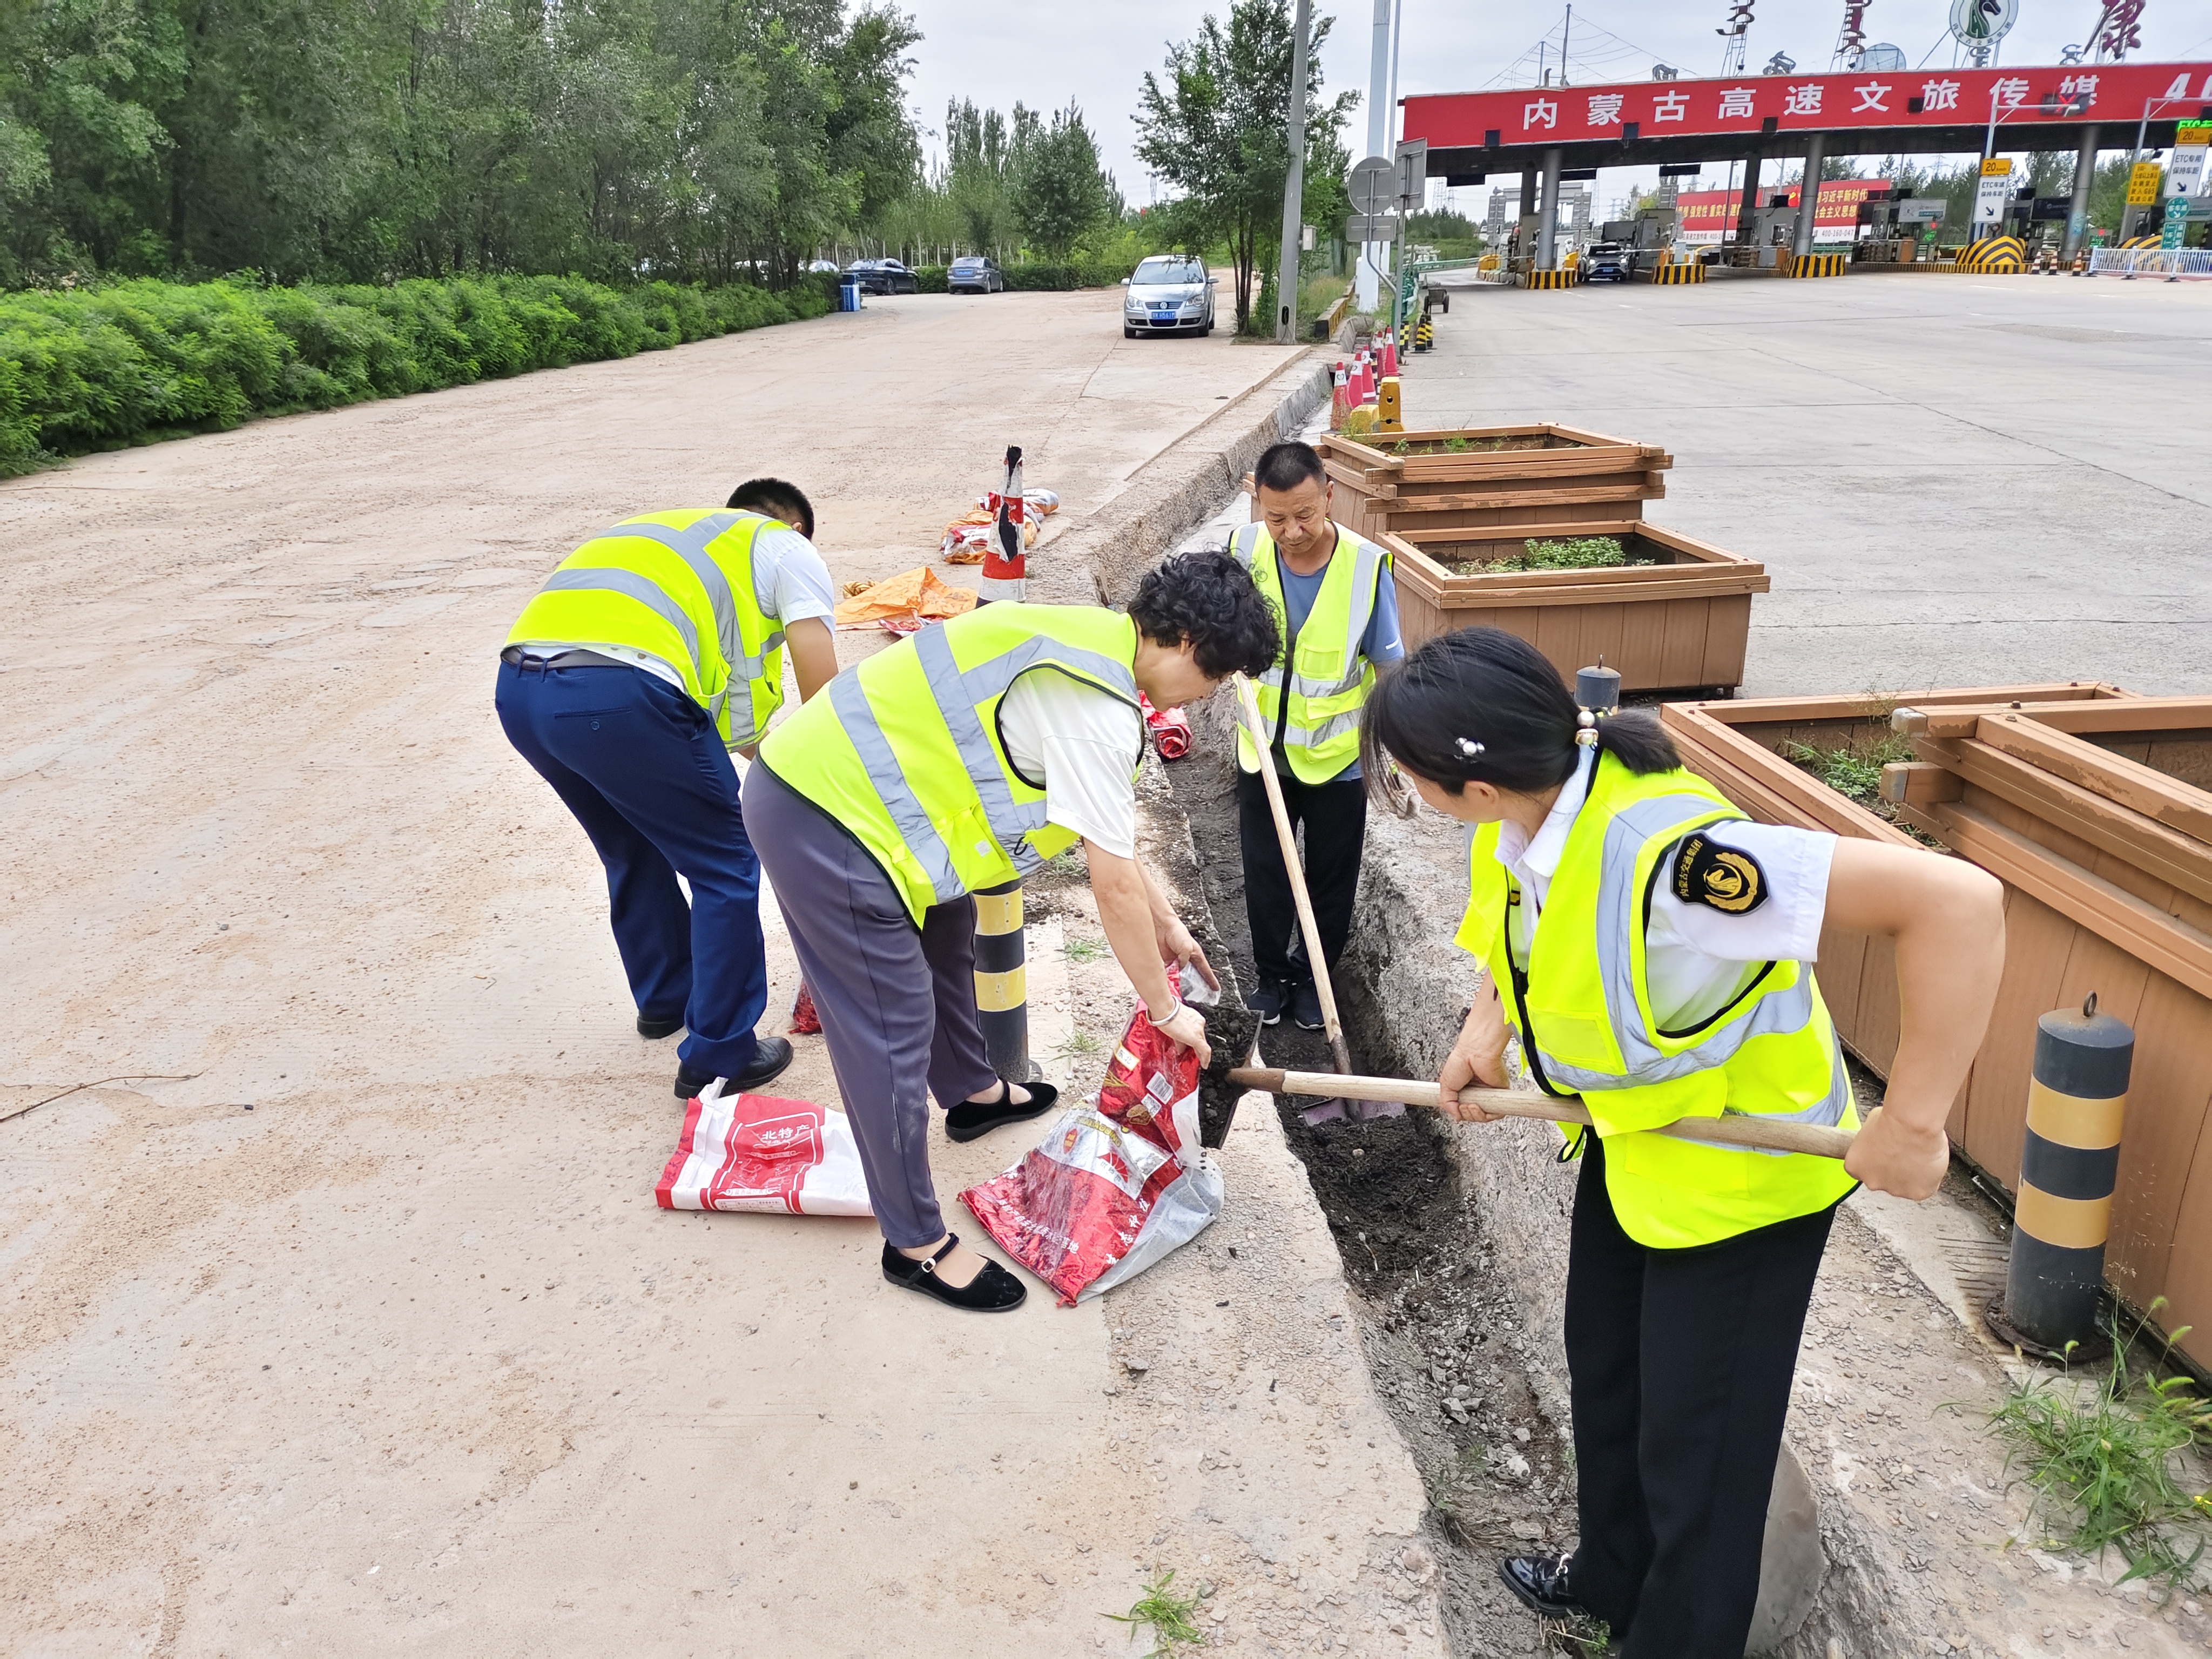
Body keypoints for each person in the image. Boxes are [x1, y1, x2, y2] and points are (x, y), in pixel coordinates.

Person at [1360, 629, 2004, 1659]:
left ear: (1467, 784)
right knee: (1609, 1381)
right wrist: (1485, 1030)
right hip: (1636, 1149)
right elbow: (1511, 929)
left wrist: (1915, 1122)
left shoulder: (1679, 860)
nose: (1405, 790)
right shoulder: (1525, 813)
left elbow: (1958, 905)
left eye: (1407, 777)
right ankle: (1611, 1582)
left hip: (1746, 1183)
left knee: (1698, 1460)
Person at [744, 550, 1281, 1313]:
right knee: (888, 1027)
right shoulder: (1095, 706)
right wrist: (1165, 1010)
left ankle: (972, 1093)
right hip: (821, 815)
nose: (1208, 697)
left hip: (873, 806)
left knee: (949, 925)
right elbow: (1110, 881)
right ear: (1189, 643)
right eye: (1217, 678)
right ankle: (915, 1243)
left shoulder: (1092, 644)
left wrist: (1168, 923)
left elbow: (1113, 843)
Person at [497, 478, 840, 1100]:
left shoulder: (670, 542)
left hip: (521, 692)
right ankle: (721, 1054)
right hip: (619, 697)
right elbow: (818, 667)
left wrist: (780, 769)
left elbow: (733, 727)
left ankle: (666, 1000)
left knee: (631, 845)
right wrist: (838, 777)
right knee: (726, 864)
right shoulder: (788, 547)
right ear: (793, 529)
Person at [1231, 440, 1404, 1030]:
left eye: (1304, 514)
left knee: (1331, 879)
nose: (1291, 530)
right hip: (1260, 751)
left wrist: (1392, 751)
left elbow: (1388, 667)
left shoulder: (1364, 568)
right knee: (1265, 872)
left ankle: (1314, 981)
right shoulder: (1245, 548)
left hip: (1337, 762)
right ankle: (1270, 976)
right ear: (1259, 502)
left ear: (1329, 496)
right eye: (1276, 517)